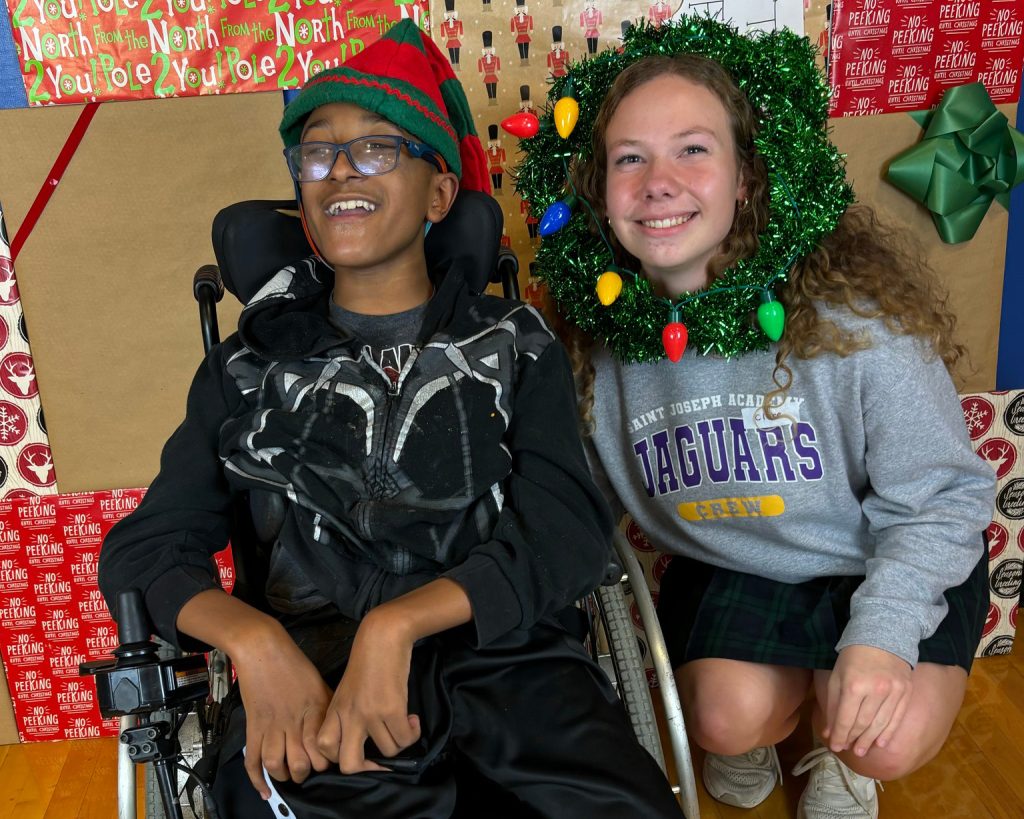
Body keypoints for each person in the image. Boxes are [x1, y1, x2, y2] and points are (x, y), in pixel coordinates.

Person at [98, 20, 682, 819]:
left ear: (440, 193)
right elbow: (147, 550)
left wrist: (397, 627)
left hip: (511, 662)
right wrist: (255, 643)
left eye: (376, 148)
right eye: (317, 151)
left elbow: (569, 530)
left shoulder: (512, 344)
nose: (339, 169)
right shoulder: (246, 368)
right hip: (314, 674)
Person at [535, 21, 995, 819]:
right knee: (722, 713)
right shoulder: (594, 346)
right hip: (742, 556)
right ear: (598, 189)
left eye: (693, 150)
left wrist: (881, 636)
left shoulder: (852, 319)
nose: (658, 181)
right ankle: (762, 722)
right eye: (629, 158)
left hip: (885, 545)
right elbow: (577, 504)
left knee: (880, 733)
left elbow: (943, 498)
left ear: (746, 178)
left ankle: (843, 746)